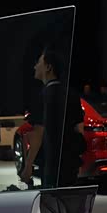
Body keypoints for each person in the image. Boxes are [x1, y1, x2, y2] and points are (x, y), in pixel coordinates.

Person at [22, 46, 67, 188]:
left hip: (50, 162)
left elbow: (39, 132)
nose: (35, 66)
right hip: (68, 163)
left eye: (39, 62)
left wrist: (28, 166)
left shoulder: (43, 96)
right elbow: (78, 129)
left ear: (48, 67)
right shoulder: (70, 94)